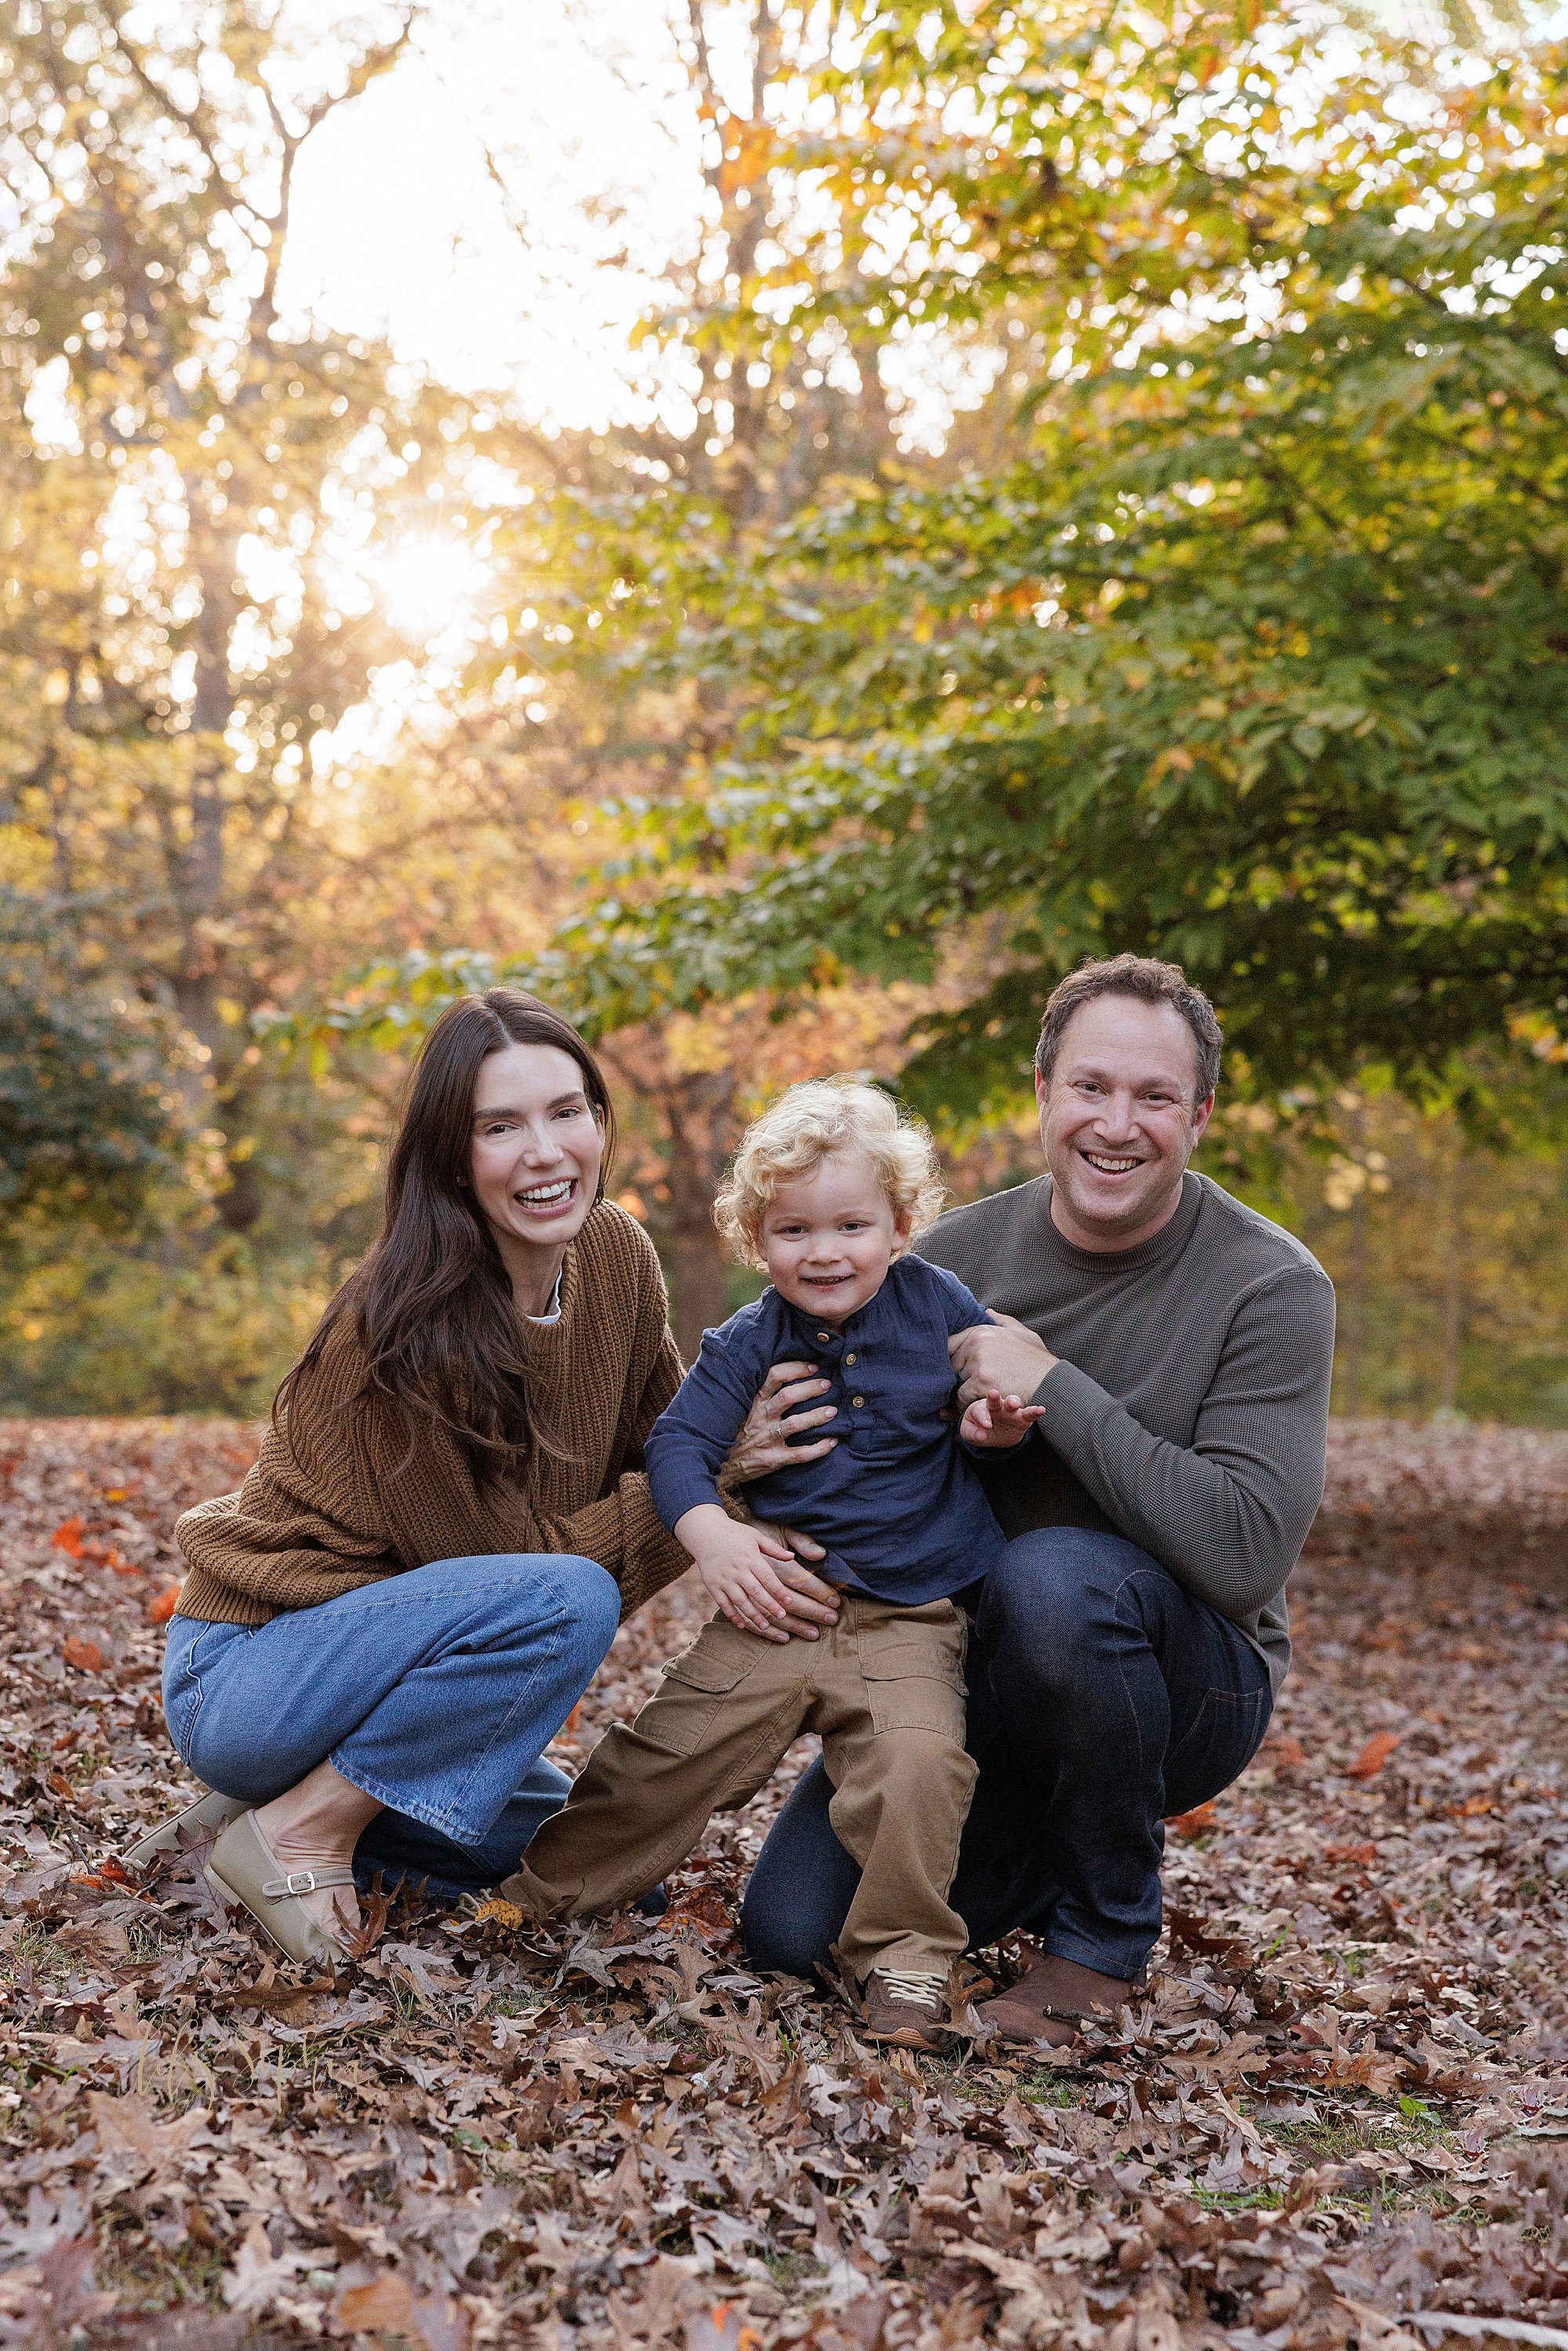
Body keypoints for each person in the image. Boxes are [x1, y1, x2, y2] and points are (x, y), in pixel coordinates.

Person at [132, 990, 834, 1968]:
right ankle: (302, 1825)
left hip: (384, 1680)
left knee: (605, 1863)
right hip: (256, 1669)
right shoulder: (402, 1327)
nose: (545, 1151)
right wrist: (711, 1475)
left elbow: (664, 1457)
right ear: (452, 1157)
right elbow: (514, 1581)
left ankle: (257, 1819)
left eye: (566, 1109)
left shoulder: (618, 1256)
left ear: (598, 1119)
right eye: (499, 1125)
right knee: (566, 1593)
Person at [735, 956, 1336, 2044]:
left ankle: (1102, 1943)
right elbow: (779, 1376)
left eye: (1154, 1096)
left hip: (1186, 1680)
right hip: (972, 1673)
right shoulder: (952, 1253)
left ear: (1199, 1115)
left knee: (1054, 1572)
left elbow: (1246, 1554)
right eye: (1091, 1087)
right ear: (1044, 1094)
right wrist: (744, 1445)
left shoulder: (1271, 1284)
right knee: (792, 1932)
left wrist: (1054, 1384)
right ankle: (1029, 1847)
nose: (1118, 1123)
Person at [495, 1081, 1043, 2052]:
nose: (823, 1250)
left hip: (910, 1615)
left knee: (919, 1765)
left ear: (899, 1226)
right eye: (792, 1229)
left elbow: (986, 1418)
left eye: (850, 1224)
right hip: (775, 1604)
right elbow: (675, 1449)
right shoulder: (748, 1341)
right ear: (757, 1238)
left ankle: (906, 1961)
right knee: (660, 1757)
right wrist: (715, 1537)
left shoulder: (942, 1308)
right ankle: (537, 1897)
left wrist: (991, 1430)